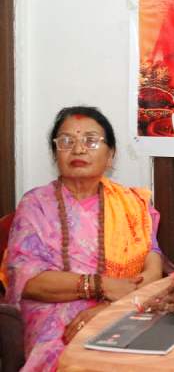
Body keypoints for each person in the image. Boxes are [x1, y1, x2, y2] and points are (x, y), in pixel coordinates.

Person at [4, 106, 163, 371]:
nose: (78, 149)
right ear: (55, 154)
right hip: (55, 316)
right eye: (66, 141)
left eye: (91, 141)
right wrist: (100, 286)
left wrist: (109, 309)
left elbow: (153, 269)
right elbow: (27, 281)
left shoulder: (131, 204)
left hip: (123, 307)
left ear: (110, 155)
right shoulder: (36, 205)